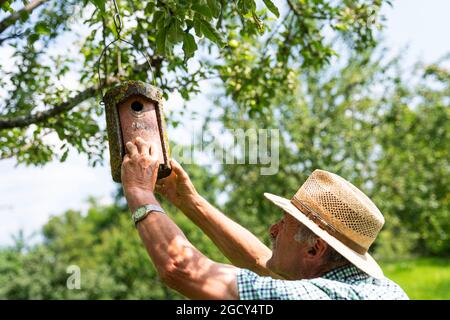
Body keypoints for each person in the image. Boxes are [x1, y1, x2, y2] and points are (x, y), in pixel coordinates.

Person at [121, 137, 409, 300]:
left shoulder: (316, 298)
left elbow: (182, 270)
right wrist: (189, 201)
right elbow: (263, 264)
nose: (272, 229)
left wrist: (138, 191)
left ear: (314, 249)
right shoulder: (379, 290)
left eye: (284, 224)